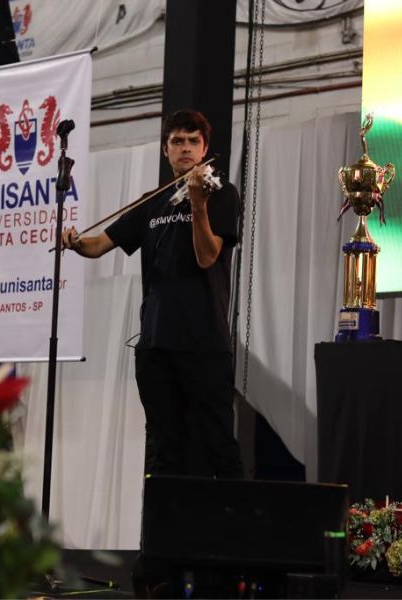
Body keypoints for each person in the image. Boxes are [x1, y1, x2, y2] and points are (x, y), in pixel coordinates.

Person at [62, 109, 243, 479]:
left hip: (204, 342)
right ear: (166, 149)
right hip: (156, 344)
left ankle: (228, 531)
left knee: (217, 443)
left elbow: (207, 256)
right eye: (178, 141)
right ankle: (161, 535)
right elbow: (100, 245)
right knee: (162, 446)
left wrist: (197, 204)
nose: (186, 148)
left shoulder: (220, 194)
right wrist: (75, 241)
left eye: (194, 141)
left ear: (205, 148)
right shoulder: (153, 201)